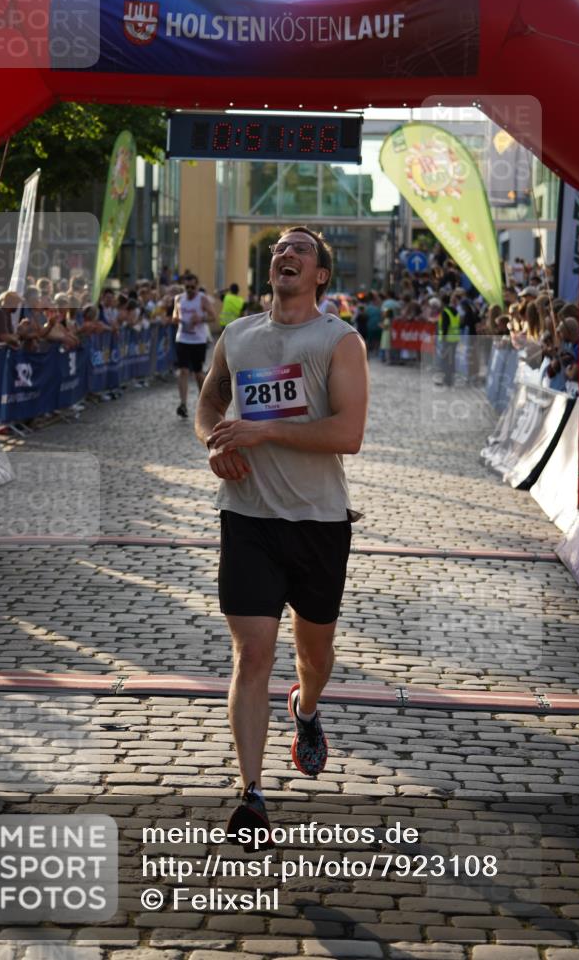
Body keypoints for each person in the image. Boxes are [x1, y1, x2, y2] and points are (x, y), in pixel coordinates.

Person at [195, 225, 368, 846]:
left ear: (320, 274)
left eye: (300, 250)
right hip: (247, 518)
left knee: (313, 658)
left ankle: (307, 708)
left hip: (319, 522)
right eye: (279, 249)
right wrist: (215, 444)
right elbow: (211, 408)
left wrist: (262, 432)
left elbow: (348, 434)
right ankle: (252, 794)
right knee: (253, 653)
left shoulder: (338, 341)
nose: (285, 254)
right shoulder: (238, 336)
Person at [172, 274, 215, 418]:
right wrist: (176, 318)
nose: (190, 290)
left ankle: (204, 403)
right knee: (183, 371)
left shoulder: (202, 299)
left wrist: (201, 318)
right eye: (187, 287)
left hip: (198, 341)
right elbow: (174, 315)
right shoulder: (178, 299)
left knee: (198, 374)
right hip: (182, 339)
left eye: (192, 287)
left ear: (196, 286)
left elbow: (213, 316)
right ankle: (183, 404)